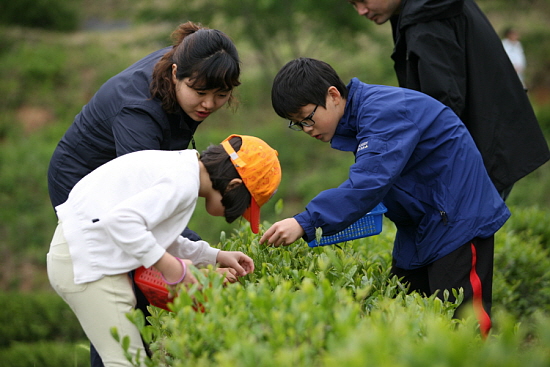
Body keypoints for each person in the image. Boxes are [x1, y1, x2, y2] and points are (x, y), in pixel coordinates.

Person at [261, 57, 511, 337]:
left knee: (462, 328)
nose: (307, 129)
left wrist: (305, 221)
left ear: (333, 95)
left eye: (307, 118)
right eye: (297, 124)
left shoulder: (384, 111)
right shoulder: (362, 117)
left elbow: (370, 181)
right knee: (402, 315)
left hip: (457, 222)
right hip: (423, 225)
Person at [46, 21, 241, 366]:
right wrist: (192, 266)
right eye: (200, 93)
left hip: (121, 191)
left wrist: (204, 257)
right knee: (120, 297)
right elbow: (142, 214)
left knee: (140, 284)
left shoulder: (191, 64)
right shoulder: (138, 113)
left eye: (221, 96)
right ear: (177, 74)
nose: (209, 104)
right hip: (81, 182)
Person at [47, 134, 282, 367]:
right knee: (127, 362)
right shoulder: (182, 182)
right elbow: (120, 222)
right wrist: (173, 269)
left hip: (81, 256)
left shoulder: (180, 169)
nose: (234, 216)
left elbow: (159, 236)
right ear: (233, 185)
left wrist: (215, 256)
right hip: (88, 264)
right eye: (241, 207)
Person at [346, 0, 549, 200]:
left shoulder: (428, 16)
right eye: (353, 5)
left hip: (478, 150)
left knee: (463, 229)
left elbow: (442, 104)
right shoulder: (428, 6)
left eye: (363, 1)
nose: (361, 11)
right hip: (492, 138)